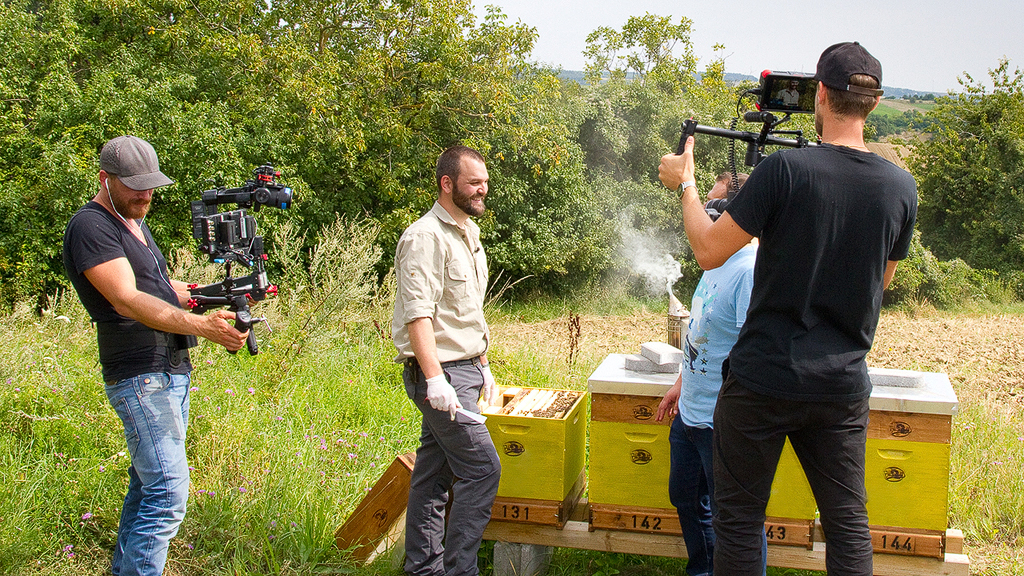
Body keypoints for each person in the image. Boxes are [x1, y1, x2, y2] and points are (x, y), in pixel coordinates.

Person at [658, 42, 917, 576]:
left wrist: (685, 184)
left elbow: (708, 250)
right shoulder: (900, 187)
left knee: (737, 522)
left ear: (820, 94)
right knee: (848, 524)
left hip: (763, 381)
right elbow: (880, 282)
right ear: (873, 104)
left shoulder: (785, 171)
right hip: (841, 385)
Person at [62, 135, 249, 576]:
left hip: (170, 370)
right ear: (105, 179)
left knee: (148, 488)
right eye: (134, 186)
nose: (145, 194)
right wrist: (201, 326)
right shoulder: (92, 226)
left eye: (151, 185)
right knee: (167, 493)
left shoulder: (135, 224)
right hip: (140, 375)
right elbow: (127, 299)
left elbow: (164, 292)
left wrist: (219, 296)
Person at [392, 145, 501, 576]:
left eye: (485, 182)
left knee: (433, 473)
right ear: (447, 183)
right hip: (442, 375)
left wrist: (484, 363)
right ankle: (460, 570)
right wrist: (436, 380)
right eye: (474, 182)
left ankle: (421, 567)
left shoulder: (468, 233)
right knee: (482, 469)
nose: (482, 190)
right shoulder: (424, 237)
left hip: (467, 368)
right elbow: (419, 313)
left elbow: (467, 309)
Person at [656, 173, 762, 576]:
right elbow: (703, 332)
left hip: (721, 422)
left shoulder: (749, 270)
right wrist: (681, 384)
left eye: (715, 206)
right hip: (689, 411)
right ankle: (702, 569)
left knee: (731, 518)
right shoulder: (714, 262)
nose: (707, 214)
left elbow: (751, 352)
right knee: (684, 496)